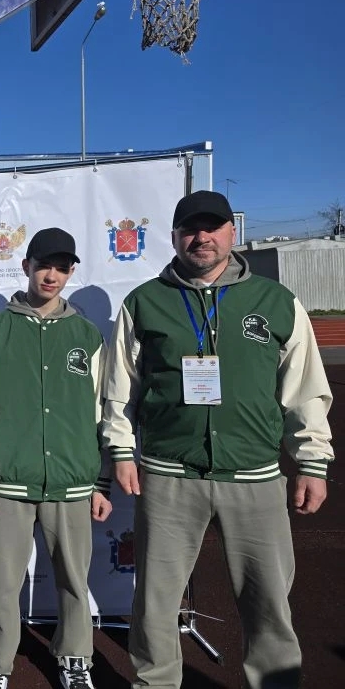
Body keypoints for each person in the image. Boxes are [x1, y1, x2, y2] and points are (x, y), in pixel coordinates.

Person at [101, 191, 335, 689]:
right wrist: (120, 448)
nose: (201, 237)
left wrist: (312, 461)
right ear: (174, 237)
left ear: (232, 232)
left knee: (268, 603)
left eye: (212, 227)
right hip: (169, 475)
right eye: (190, 228)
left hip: (255, 475)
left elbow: (305, 389)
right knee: (156, 603)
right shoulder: (144, 301)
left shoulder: (276, 301)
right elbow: (120, 387)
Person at [0, 227, 112, 689]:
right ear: (26, 266)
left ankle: (75, 659)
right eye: (44, 265)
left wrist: (102, 480)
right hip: (8, 481)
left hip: (72, 481)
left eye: (62, 268)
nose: (52, 275)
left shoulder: (87, 335)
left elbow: (103, 411)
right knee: (3, 583)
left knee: (73, 580)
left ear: (70, 272)